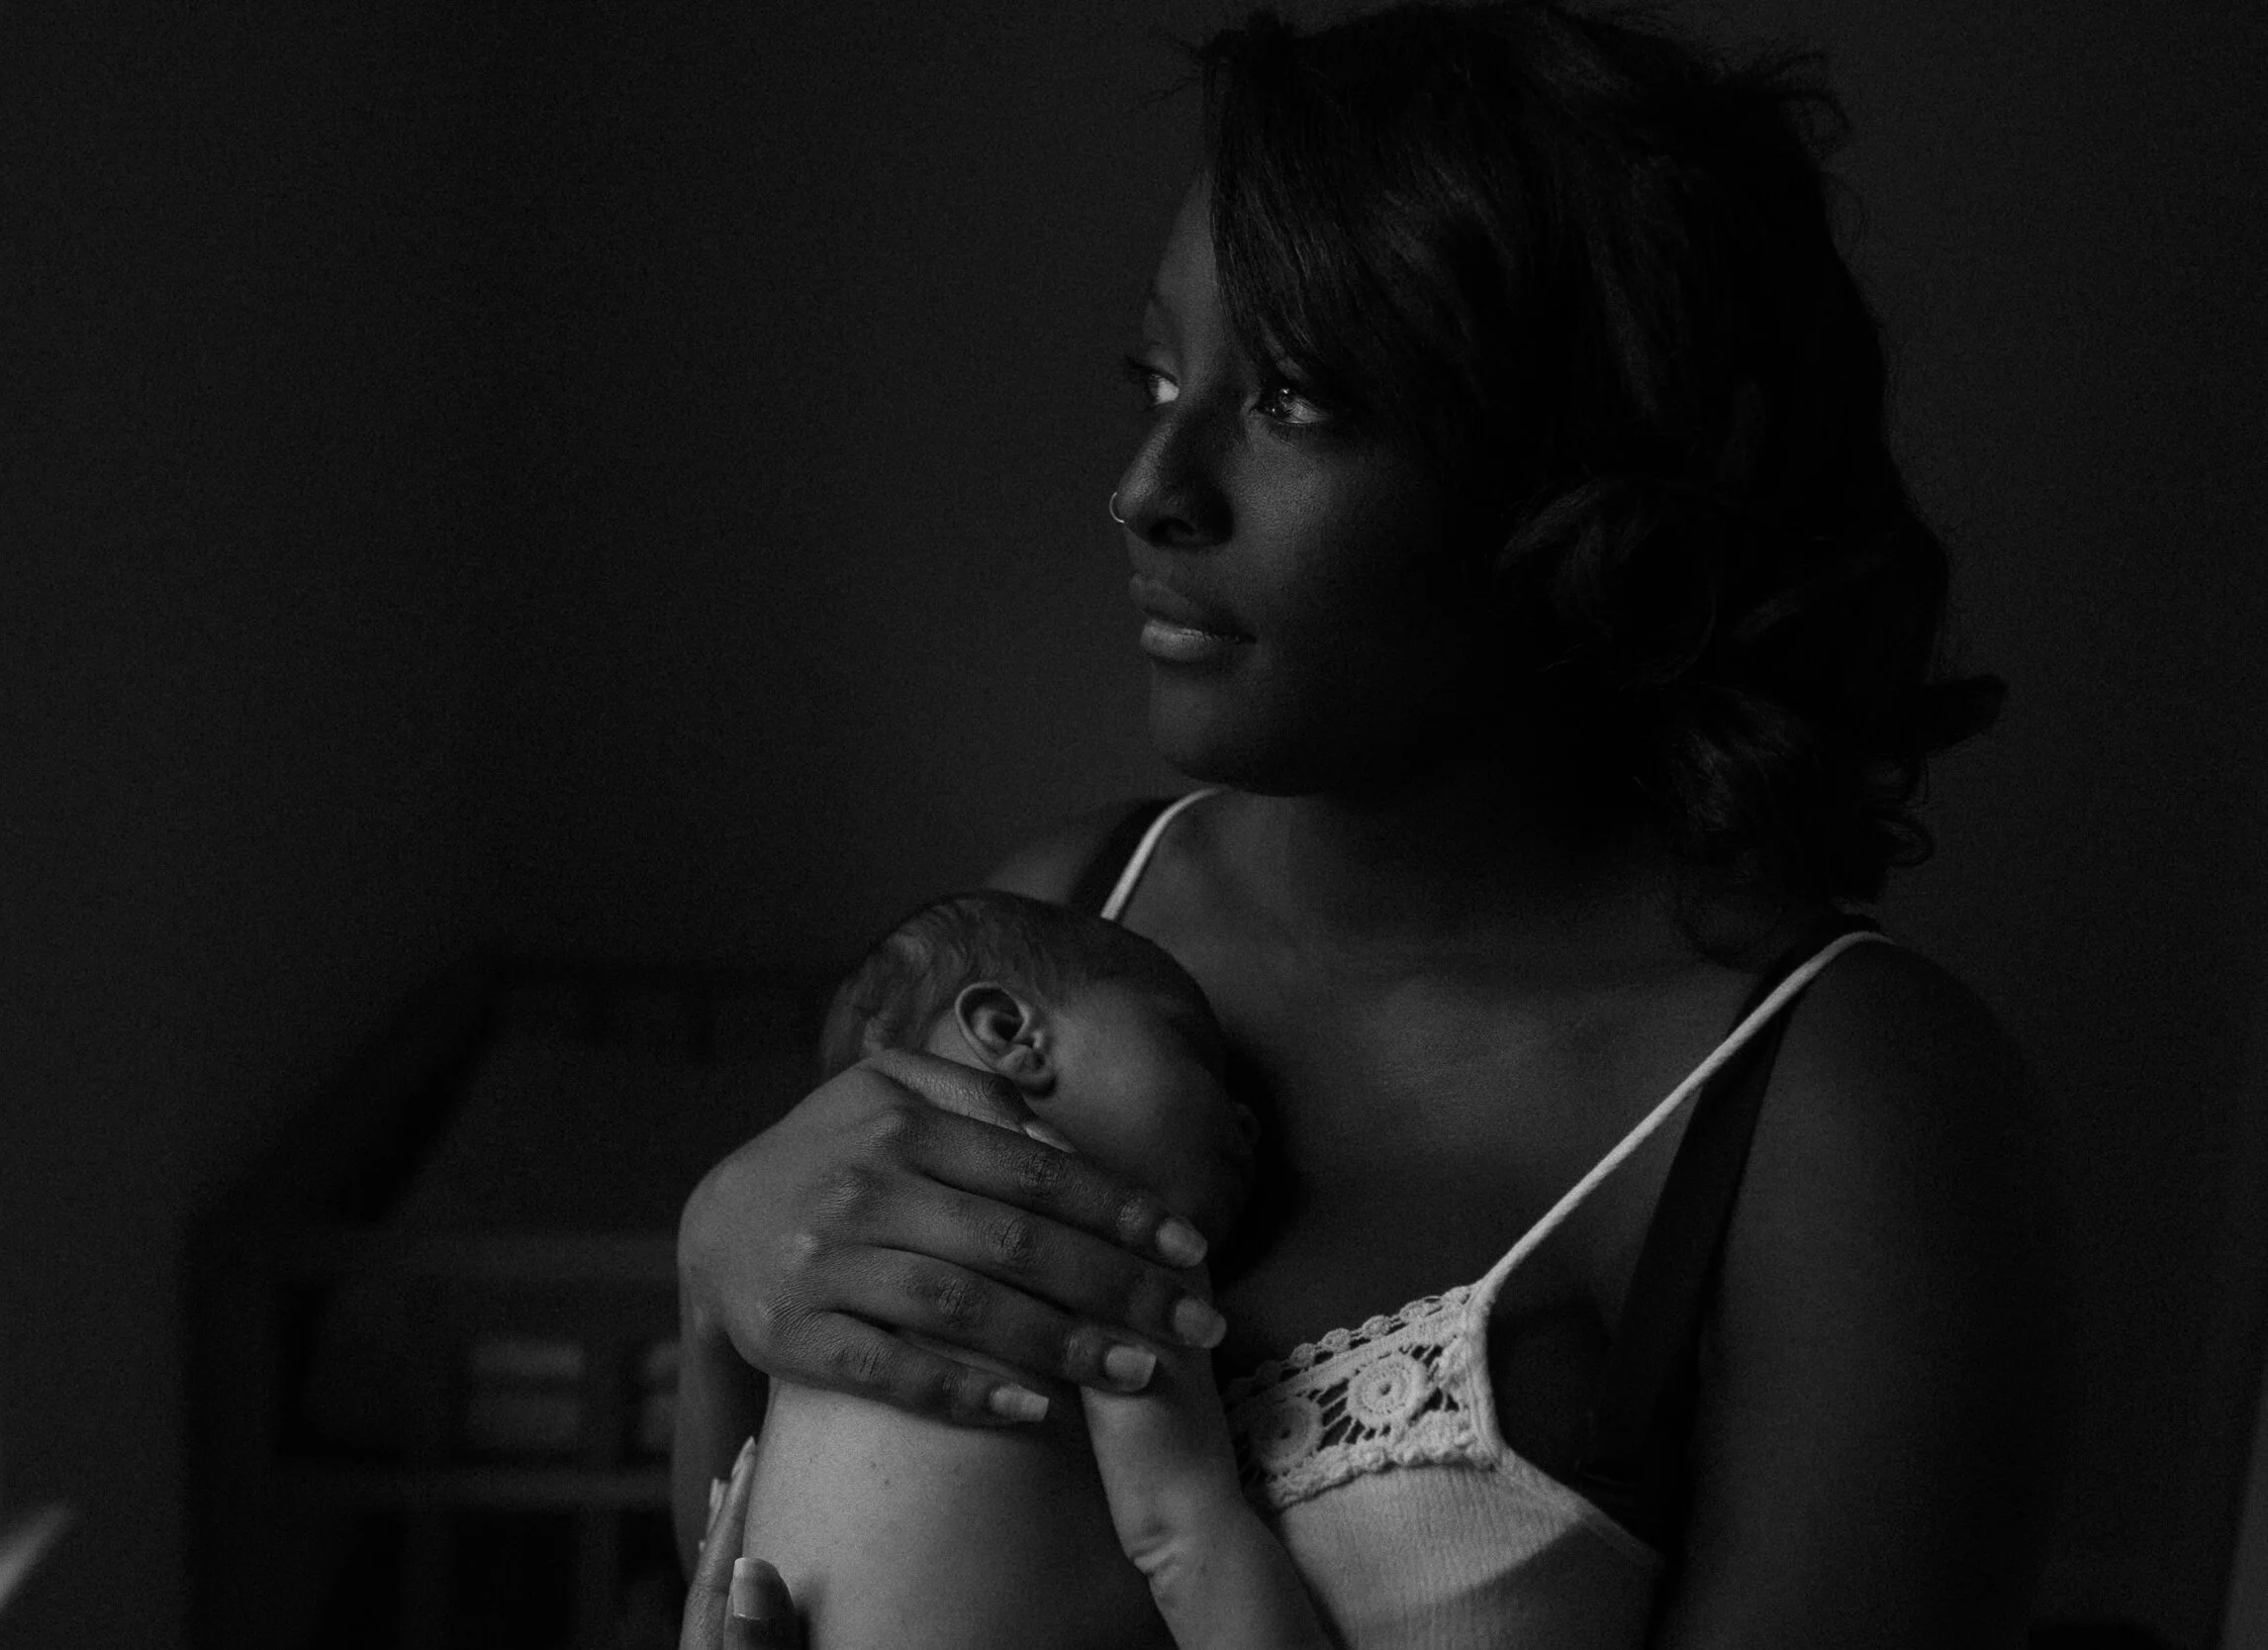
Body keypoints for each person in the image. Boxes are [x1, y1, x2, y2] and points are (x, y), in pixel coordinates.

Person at [675, 3, 2065, 1645]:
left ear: (1592, 471)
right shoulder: (1074, 908)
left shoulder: (1843, 1107)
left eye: (1295, 396)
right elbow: (804, 1546)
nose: (1149, 486)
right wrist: (716, 1271)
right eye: (1160, 376)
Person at [712, 890, 1324, 1649]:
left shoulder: (829, 1299)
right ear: (1012, 1033)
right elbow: (1187, 1541)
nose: (1246, 1118)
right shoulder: (1110, 1269)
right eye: (1192, 1050)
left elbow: (726, 1537)